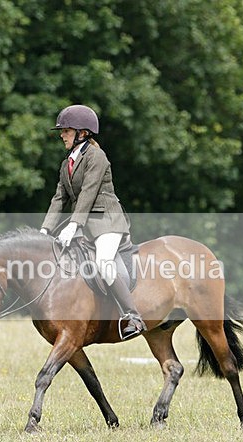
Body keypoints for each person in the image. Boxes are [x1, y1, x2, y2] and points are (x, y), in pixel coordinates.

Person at [40, 104, 146, 339]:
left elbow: (88, 192)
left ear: (83, 133)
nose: (62, 135)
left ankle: (132, 317)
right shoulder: (67, 162)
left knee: (103, 261)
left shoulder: (97, 157)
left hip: (108, 222)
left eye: (66, 131)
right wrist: (45, 229)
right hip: (87, 225)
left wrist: (73, 224)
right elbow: (59, 198)